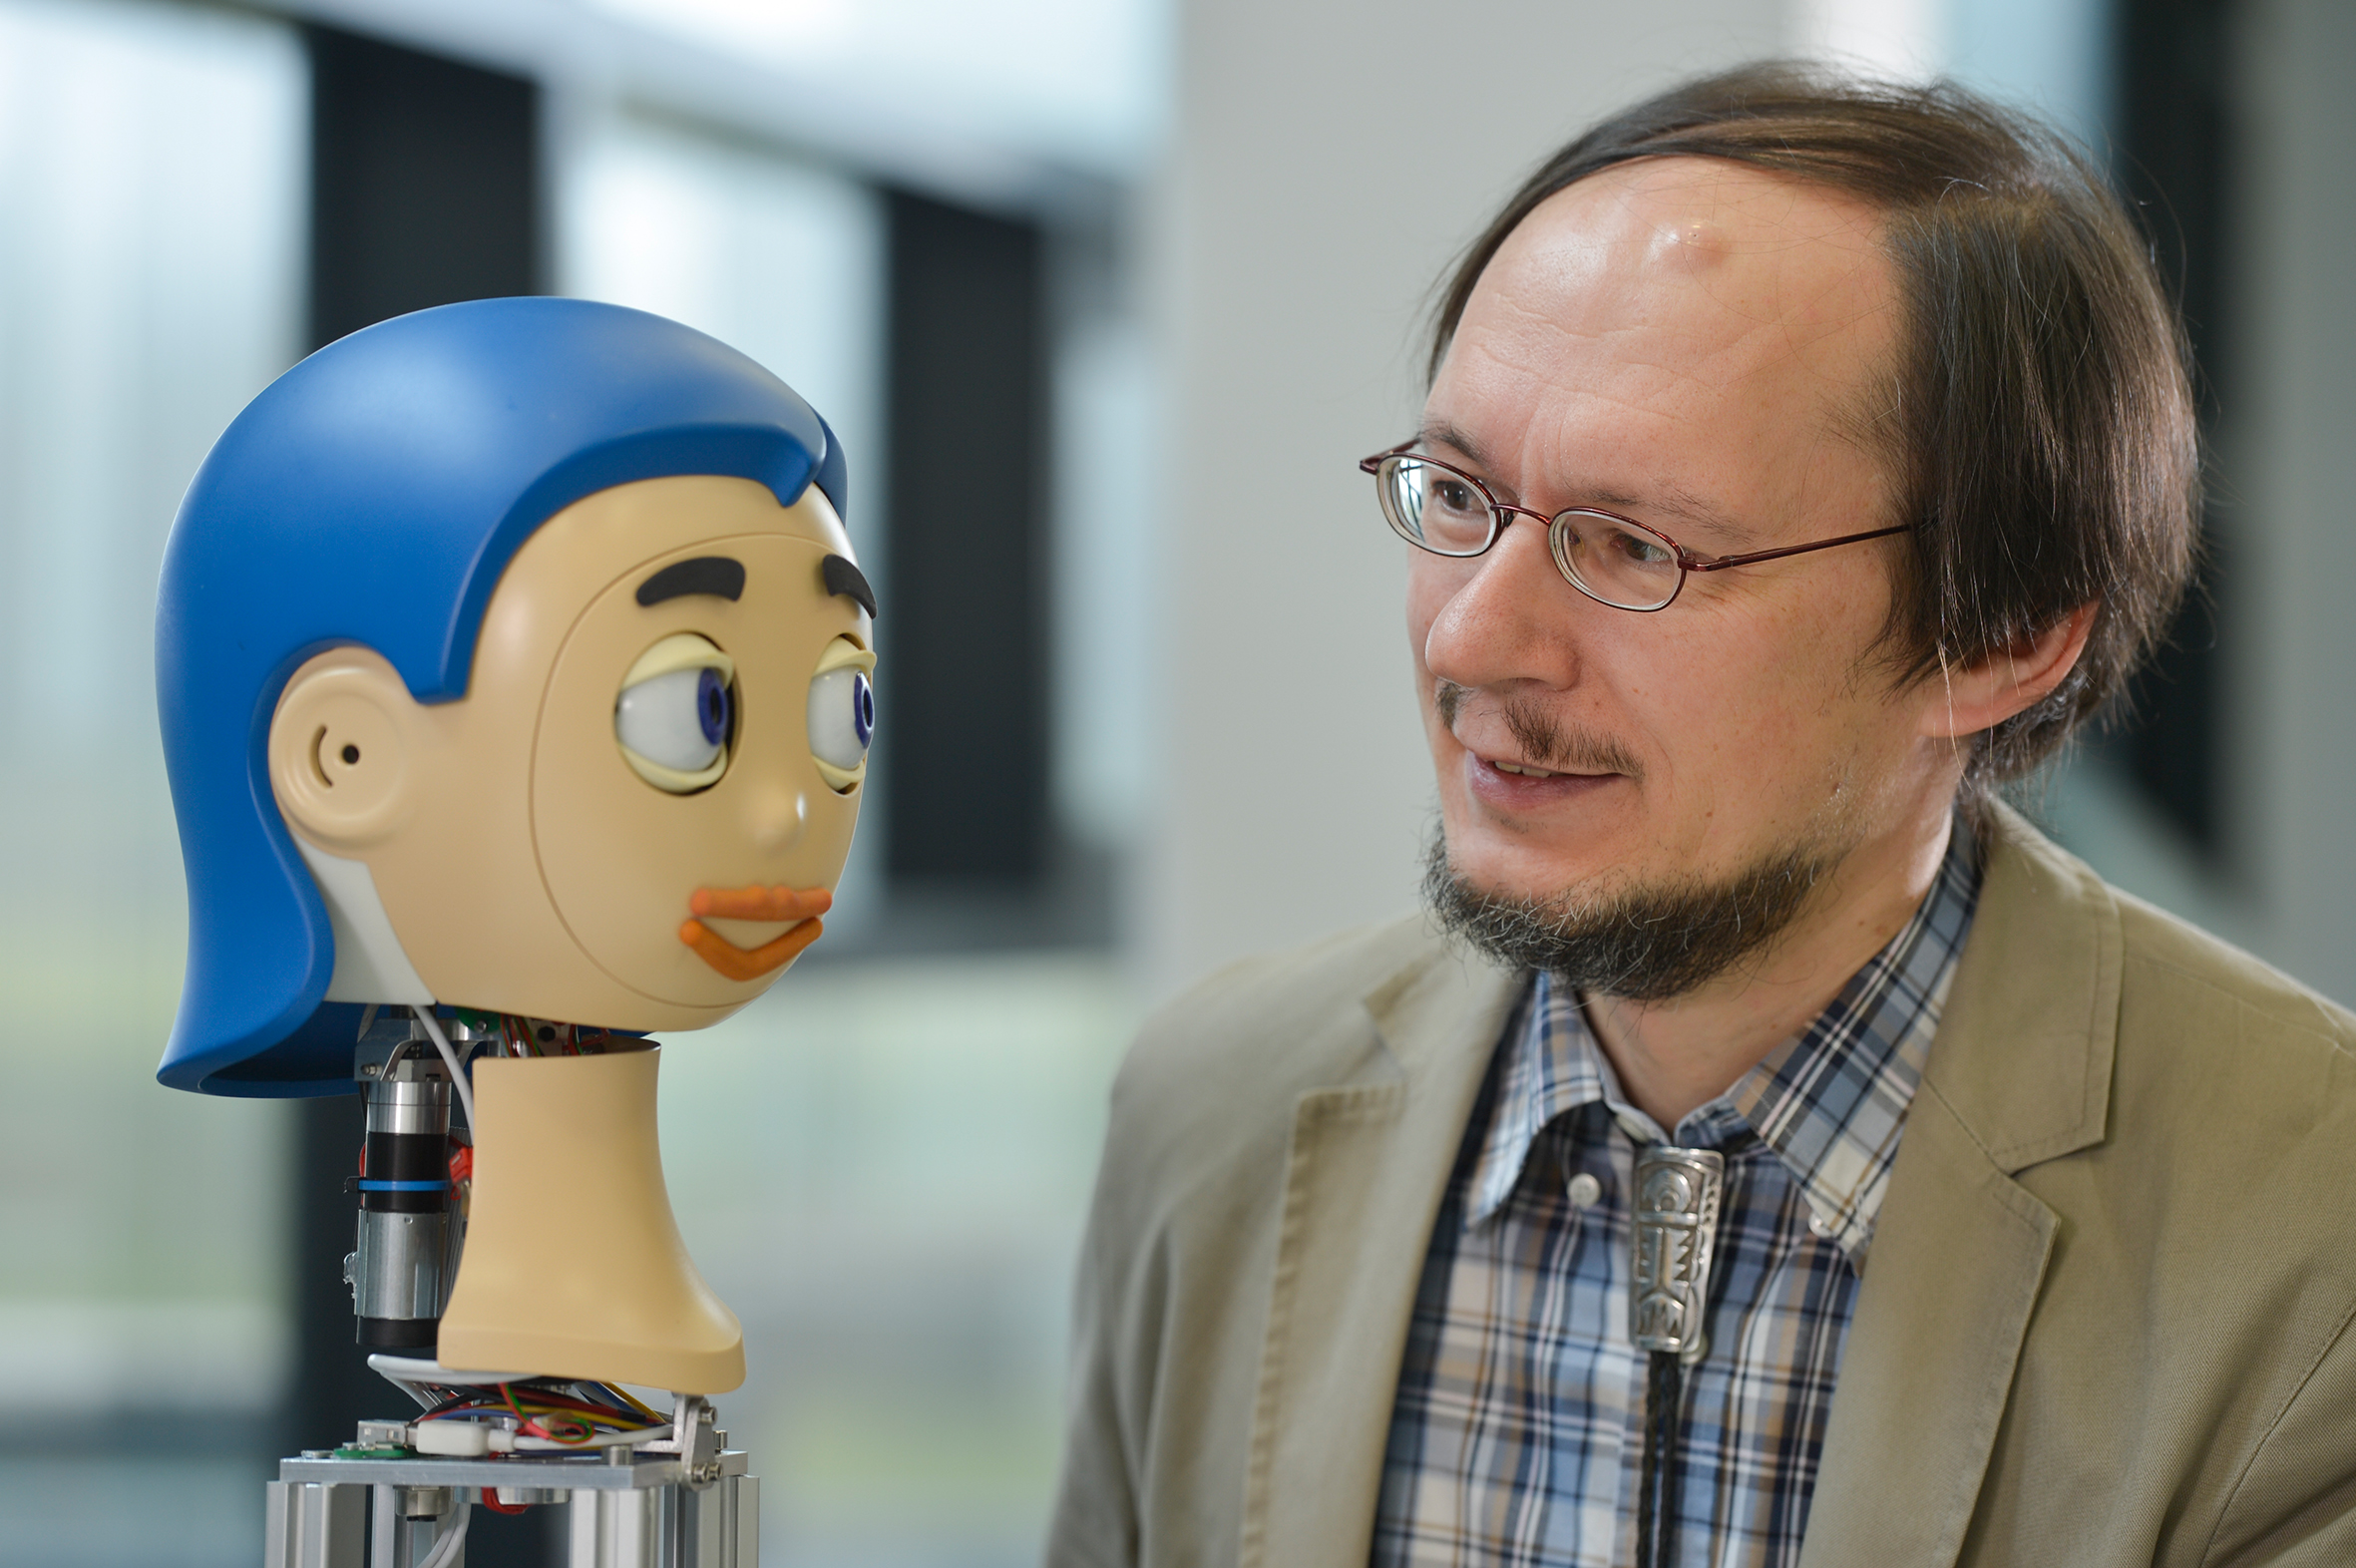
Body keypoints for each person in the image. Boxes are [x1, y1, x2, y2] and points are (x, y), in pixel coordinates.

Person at [1047, 65, 2356, 1568]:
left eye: (1634, 546)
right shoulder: (1212, 1115)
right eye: (1459, 496)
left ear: (1999, 640)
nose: (1472, 640)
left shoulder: (2309, 1243)